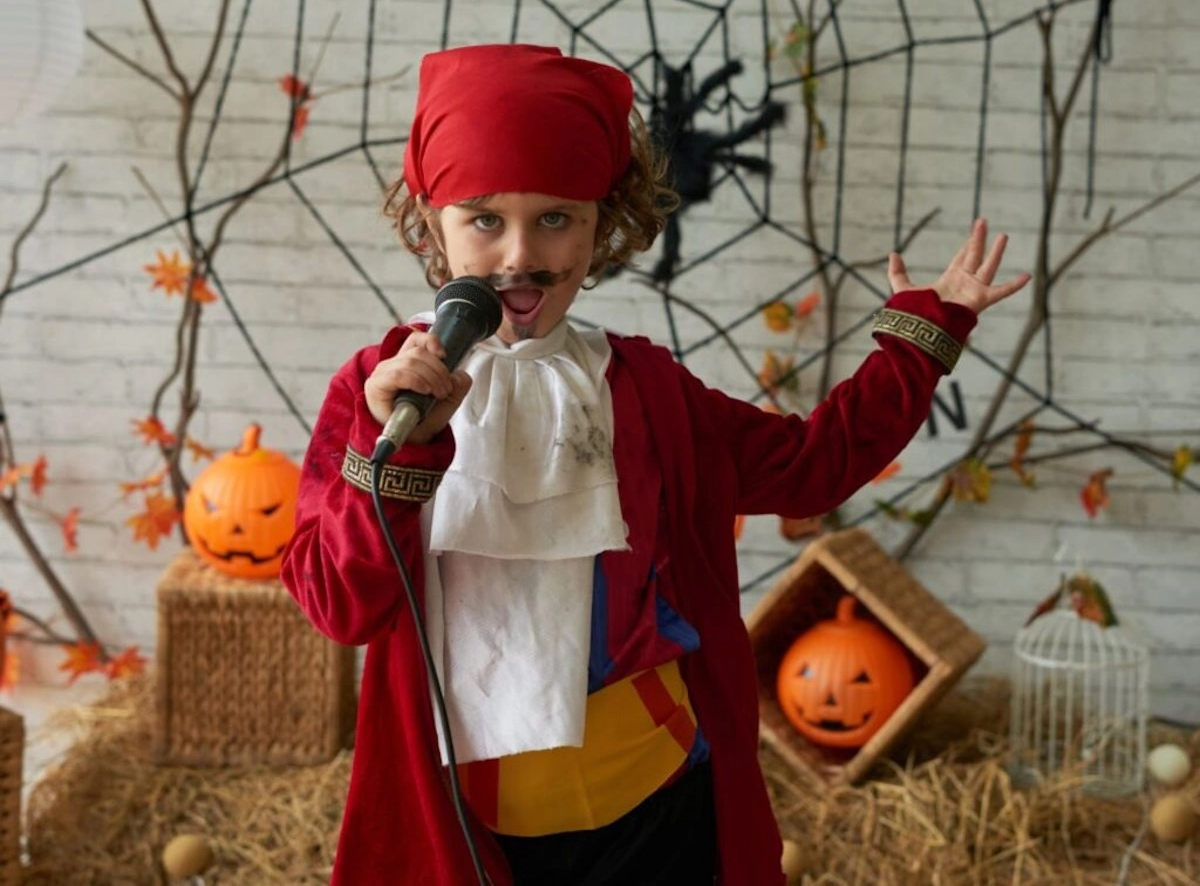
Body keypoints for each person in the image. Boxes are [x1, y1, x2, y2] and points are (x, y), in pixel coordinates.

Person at [280, 43, 1029, 886]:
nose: (519, 256)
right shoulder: (377, 391)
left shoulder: (648, 391)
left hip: (656, 803)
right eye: (485, 219)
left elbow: (813, 466)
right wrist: (403, 443)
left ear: (605, 222)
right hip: (471, 824)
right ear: (432, 220)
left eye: (556, 218)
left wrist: (921, 343)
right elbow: (341, 606)